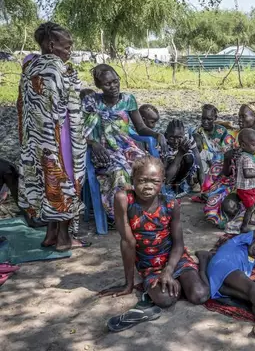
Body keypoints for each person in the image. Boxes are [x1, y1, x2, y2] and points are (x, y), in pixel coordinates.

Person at [98, 156, 209, 307]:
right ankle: (177, 281)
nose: (148, 186)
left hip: (174, 259)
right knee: (165, 300)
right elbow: (128, 242)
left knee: (200, 295)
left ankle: (202, 262)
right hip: (149, 265)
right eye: (142, 180)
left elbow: (178, 243)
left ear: (162, 181)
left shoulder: (171, 204)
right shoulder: (124, 200)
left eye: (155, 182)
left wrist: (169, 271)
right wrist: (128, 284)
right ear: (133, 179)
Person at [17, 22, 88, 250]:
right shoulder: (60, 68)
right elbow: (68, 107)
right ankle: (65, 239)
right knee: (66, 179)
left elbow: (23, 104)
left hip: (35, 139)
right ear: (51, 44)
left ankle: (50, 234)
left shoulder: (29, 65)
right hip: (60, 136)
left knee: (44, 181)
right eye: (67, 46)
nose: (69, 51)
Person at [83, 64, 167, 222]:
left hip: (127, 148)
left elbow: (141, 127)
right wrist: (92, 143)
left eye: (116, 81)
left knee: (148, 167)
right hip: (103, 152)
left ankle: (147, 209)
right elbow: (78, 130)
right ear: (99, 85)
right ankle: (122, 215)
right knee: (119, 173)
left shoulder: (128, 99)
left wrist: (157, 134)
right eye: (108, 84)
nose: (114, 86)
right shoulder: (92, 102)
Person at [203, 103, 255, 230]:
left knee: (234, 207)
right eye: (238, 116)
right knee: (228, 208)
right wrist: (228, 157)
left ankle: (248, 209)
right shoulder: (233, 136)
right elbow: (226, 172)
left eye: (243, 116)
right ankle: (244, 210)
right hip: (234, 183)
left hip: (251, 185)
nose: (239, 119)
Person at [191, 104, 234, 192]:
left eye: (209, 119)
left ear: (215, 118)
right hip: (204, 165)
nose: (205, 122)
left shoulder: (222, 131)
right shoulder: (197, 132)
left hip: (219, 163)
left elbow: (227, 149)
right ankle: (200, 182)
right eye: (203, 118)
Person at [163, 119, 203, 197]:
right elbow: (166, 178)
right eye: (172, 137)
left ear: (184, 135)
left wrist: (204, 189)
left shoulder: (188, 140)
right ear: (166, 135)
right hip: (166, 174)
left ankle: (178, 186)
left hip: (179, 172)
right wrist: (180, 153)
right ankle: (169, 188)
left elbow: (199, 166)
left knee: (189, 157)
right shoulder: (162, 143)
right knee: (171, 159)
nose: (175, 141)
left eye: (179, 137)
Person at [235, 128, 255, 233]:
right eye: (254, 144)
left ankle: (249, 220)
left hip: (250, 187)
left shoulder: (249, 156)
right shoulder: (246, 158)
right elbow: (247, 174)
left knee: (252, 205)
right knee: (250, 207)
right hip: (245, 188)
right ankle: (244, 226)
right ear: (243, 146)